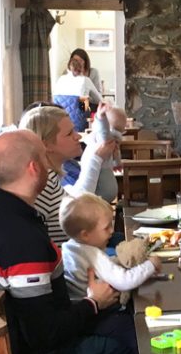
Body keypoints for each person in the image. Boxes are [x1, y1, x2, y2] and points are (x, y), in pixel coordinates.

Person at [0, 129, 132, 354]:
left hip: (19, 346)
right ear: (33, 168)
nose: (50, 165)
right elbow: (46, 335)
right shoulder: (22, 239)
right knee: (140, 349)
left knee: (128, 324)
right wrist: (93, 303)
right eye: (44, 157)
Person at [19, 104, 116, 247]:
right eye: (69, 133)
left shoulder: (49, 176)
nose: (77, 136)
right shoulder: (43, 183)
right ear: (46, 145)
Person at [61, 193, 161, 300]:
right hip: (99, 310)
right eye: (106, 227)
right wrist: (150, 265)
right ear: (85, 235)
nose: (112, 231)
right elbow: (124, 281)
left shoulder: (69, 247)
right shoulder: (93, 255)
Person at [53, 52, 103, 132]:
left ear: (68, 67)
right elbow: (100, 100)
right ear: (82, 68)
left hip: (60, 122)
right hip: (80, 123)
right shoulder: (85, 80)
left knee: (83, 100)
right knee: (86, 102)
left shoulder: (60, 79)